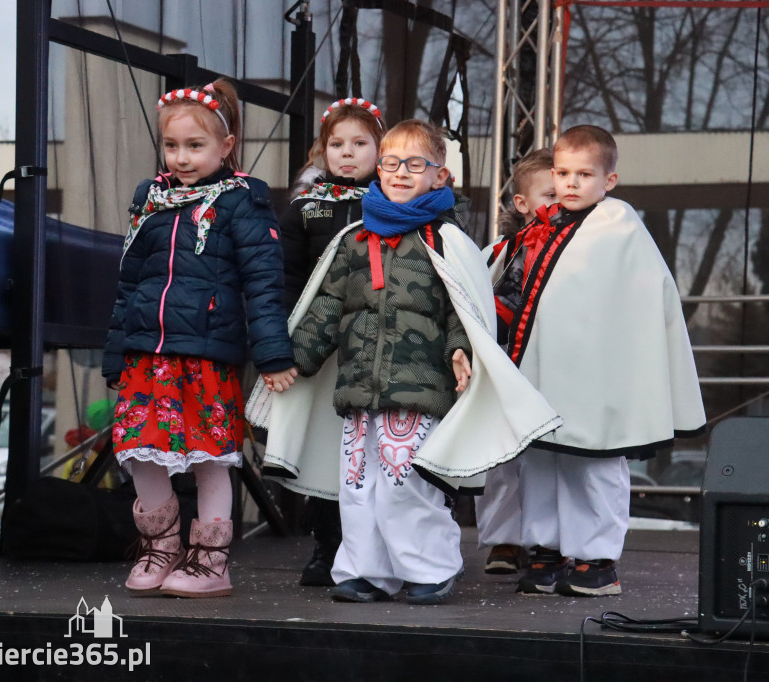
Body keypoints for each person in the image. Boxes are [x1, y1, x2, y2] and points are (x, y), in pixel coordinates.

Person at [248, 119, 561, 606]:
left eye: (414, 165)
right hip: (357, 390)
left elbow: (465, 309)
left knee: (405, 486)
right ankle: (366, 570)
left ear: (439, 176)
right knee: (357, 486)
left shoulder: (445, 240)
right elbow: (328, 307)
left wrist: (463, 350)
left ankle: (428, 569)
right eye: (391, 163)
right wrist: (295, 361)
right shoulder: (354, 240)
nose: (399, 173)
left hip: (416, 389)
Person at [487, 125, 706, 597]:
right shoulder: (544, 227)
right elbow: (519, 291)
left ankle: (597, 558)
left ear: (609, 179)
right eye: (563, 172)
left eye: (584, 174)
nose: (570, 183)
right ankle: (544, 548)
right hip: (544, 374)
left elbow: (639, 301)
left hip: (597, 379)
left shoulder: (618, 226)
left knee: (596, 465)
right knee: (542, 462)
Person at [102, 79, 296, 598]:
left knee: (210, 455)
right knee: (139, 448)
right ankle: (160, 546)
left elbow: (263, 282)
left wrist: (273, 353)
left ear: (226, 147)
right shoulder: (152, 199)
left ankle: (210, 560)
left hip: (206, 353)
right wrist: (116, 350)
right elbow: (129, 282)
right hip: (147, 352)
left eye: (195, 145)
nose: (181, 157)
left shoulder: (242, 201)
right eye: (172, 145)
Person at [278, 98, 386, 588]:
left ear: (380, 148)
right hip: (324, 350)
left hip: (381, 347)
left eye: (360, 143)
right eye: (337, 144)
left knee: (379, 449)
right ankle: (327, 546)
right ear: (322, 151)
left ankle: (383, 546)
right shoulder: (305, 208)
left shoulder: (392, 203)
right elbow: (287, 275)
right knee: (327, 447)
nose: (348, 154)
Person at [476, 149, 556, 575]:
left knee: (546, 458)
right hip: (506, 364)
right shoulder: (499, 252)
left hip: (552, 365)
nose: (560, 200)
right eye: (549, 193)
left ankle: (549, 541)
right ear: (522, 204)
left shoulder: (579, 247)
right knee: (501, 458)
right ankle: (504, 540)